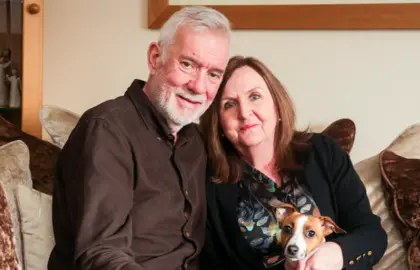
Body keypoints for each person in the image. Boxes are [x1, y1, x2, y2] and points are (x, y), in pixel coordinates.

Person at [47, 6, 231, 270]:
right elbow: (101, 254)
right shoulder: (108, 130)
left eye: (213, 74)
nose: (199, 87)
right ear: (155, 58)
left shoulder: (196, 141)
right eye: (188, 64)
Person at [198, 56, 388, 270]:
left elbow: (372, 235)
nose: (244, 112)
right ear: (218, 121)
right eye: (229, 104)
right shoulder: (209, 182)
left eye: (255, 96)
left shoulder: (323, 152)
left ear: (277, 105)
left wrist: (335, 255)